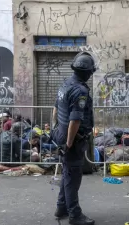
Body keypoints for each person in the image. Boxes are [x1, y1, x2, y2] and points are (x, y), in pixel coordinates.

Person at [51, 52, 96, 225]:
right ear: (87, 73)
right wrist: (69, 144)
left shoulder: (65, 85)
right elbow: (75, 120)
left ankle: (61, 207)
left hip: (62, 134)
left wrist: (56, 130)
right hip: (72, 140)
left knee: (67, 174)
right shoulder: (80, 90)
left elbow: (55, 110)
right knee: (73, 177)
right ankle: (75, 215)